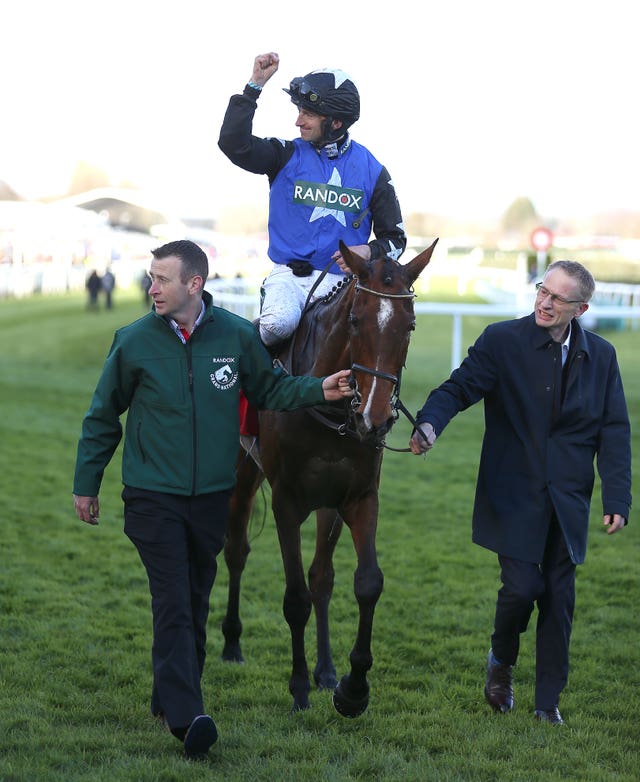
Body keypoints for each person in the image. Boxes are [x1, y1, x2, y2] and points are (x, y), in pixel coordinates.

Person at [72, 239, 353, 757]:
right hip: (151, 497)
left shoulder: (236, 336)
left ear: (194, 284)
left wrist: (319, 390)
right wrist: (86, 484)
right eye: (151, 277)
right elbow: (101, 416)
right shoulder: (133, 341)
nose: (151, 287)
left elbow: (270, 391)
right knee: (175, 600)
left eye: (162, 278)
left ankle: (165, 700)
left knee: (195, 600)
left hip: (210, 500)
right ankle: (187, 717)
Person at [409, 260, 631, 726]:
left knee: (558, 599)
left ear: (581, 308)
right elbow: (459, 387)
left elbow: (614, 431)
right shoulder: (502, 340)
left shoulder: (603, 357)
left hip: (568, 499)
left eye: (558, 298)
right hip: (511, 492)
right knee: (522, 588)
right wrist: (430, 422)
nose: (545, 303)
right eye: (542, 290)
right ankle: (501, 662)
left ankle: (547, 701)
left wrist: (617, 499)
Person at [218, 51, 407, 348]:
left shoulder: (373, 171)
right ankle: (246, 388)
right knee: (278, 325)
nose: (298, 121)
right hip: (289, 281)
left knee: (373, 343)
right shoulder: (285, 154)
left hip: (344, 286)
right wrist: (254, 86)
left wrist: (368, 252)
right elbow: (233, 143)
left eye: (307, 113)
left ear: (335, 123)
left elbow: (396, 240)